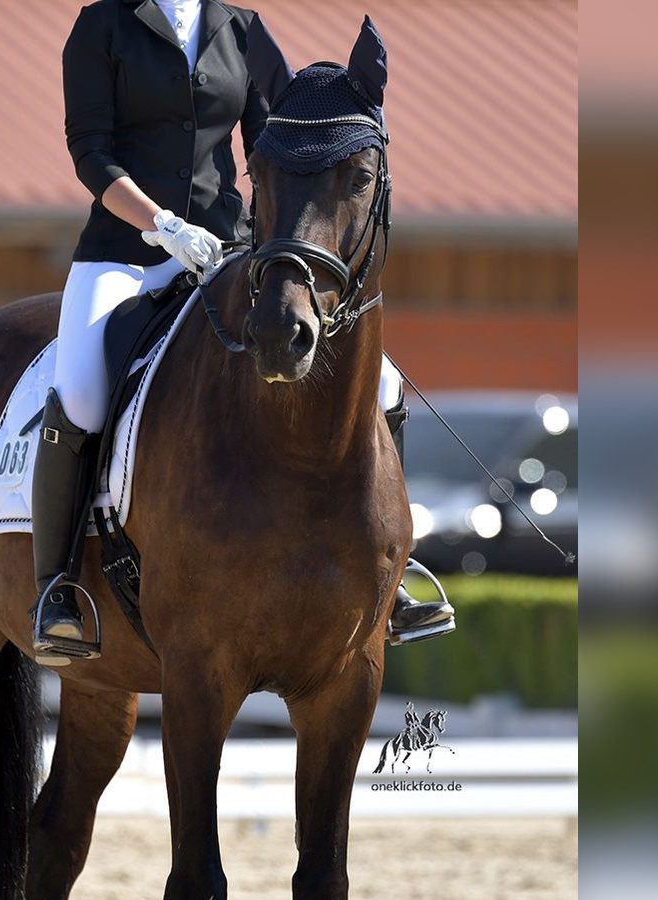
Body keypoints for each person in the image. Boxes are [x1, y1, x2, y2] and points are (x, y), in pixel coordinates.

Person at [31, 0, 451, 665]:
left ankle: (390, 576)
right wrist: (163, 225)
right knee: (81, 392)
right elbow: (91, 153)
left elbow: (272, 142)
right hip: (125, 252)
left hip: (230, 249)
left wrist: (271, 237)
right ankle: (57, 588)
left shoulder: (241, 29)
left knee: (387, 384)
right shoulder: (103, 25)